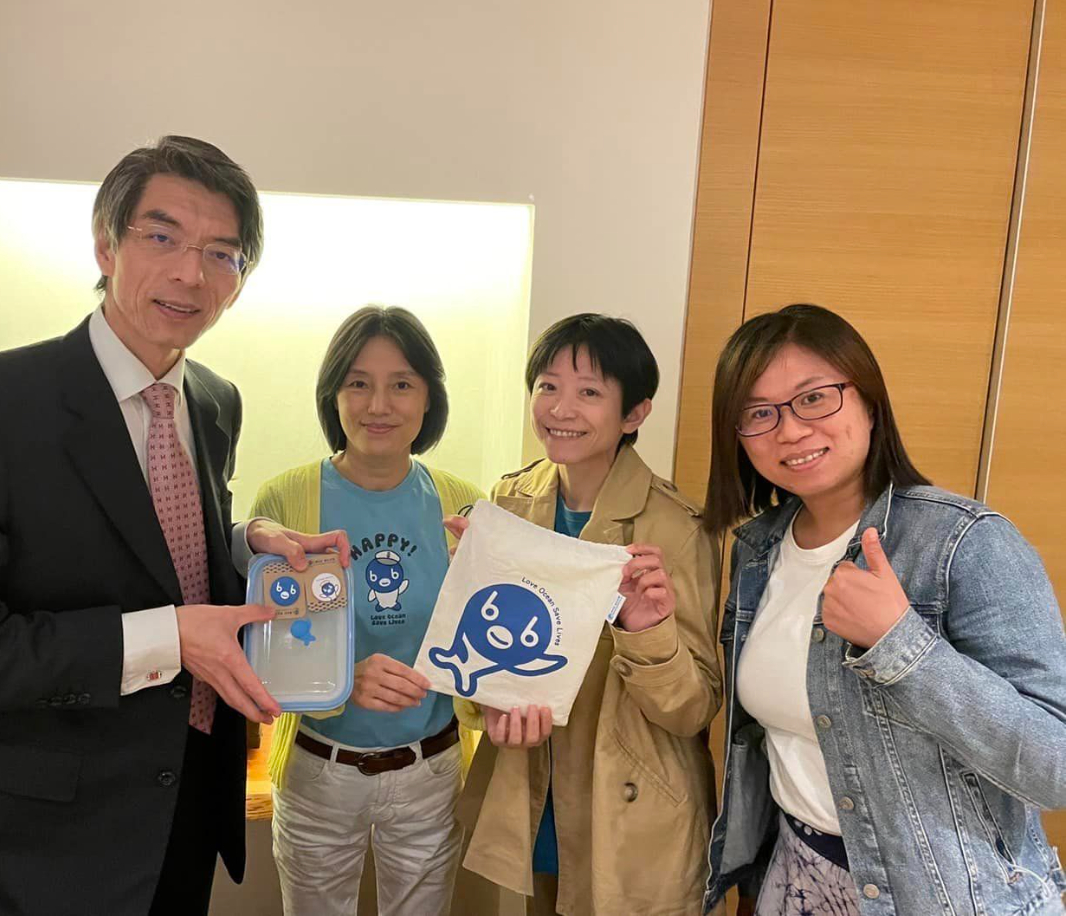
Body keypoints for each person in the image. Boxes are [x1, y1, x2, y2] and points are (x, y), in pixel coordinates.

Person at [0, 135, 344, 916]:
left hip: (185, 815)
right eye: (162, 237)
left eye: (222, 254)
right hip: (39, 851)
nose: (191, 273)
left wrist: (248, 544)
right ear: (106, 245)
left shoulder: (214, 400)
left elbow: (156, 547)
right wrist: (171, 638)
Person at [701, 304, 1066, 916]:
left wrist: (901, 646)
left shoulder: (964, 542)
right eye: (759, 413)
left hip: (946, 896)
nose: (789, 430)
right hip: (796, 877)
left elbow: (1055, 765)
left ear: (869, 402)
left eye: (814, 398)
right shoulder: (757, 550)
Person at [452, 314, 723, 915]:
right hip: (528, 795)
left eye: (589, 392)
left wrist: (644, 630)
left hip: (628, 807)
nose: (561, 408)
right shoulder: (507, 503)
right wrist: (485, 695)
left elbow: (693, 709)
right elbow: (477, 675)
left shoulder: (675, 527)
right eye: (547, 386)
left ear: (635, 413)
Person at [249, 305, 484, 916]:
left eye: (401, 384)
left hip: (431, 768)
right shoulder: (286, 499)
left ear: (429, 398)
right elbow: (263, 650)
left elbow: (483, 642)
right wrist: (339, 680)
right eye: (358, 383)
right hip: (318, 768)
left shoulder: (462, 504)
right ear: (334, 395)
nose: (378, 405)